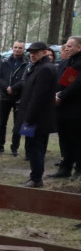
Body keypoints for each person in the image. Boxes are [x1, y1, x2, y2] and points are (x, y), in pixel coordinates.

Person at [15, 42, 59, 188]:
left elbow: (38, 97)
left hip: (37, 118)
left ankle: (36, 178)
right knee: (33, 148)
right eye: (31, 52)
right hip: (34, 116)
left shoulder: (45, 69)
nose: (32, 54)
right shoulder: (37, 66)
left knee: (36, 148)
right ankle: (35, 177)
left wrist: (29, 118)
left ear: (44, 52)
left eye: (36, 52)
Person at [50, 36, 81, 179]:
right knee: (65, 139)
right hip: (62, 108)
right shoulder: (67, 62)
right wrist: (56, 94)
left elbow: (77, 85)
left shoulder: (79, 63)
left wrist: (61, 96)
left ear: (78, 48)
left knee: (77, 139)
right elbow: (62, 82)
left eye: (69, 46)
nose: (66, 48)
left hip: (75, 109)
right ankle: (65, 168)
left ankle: (79, 169)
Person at [0, 40, 28, 156]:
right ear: (12, 48)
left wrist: (13, 88)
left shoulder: (27, 63)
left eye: (20, 48)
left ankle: (15, 147)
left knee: (17, 124)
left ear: (23, 49)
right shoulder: (4, 61)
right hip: (5, 97)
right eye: (15, 47)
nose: (17, 49)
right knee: (2, 123)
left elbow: (26, 80)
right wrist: (6, 87)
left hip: (19, 97)